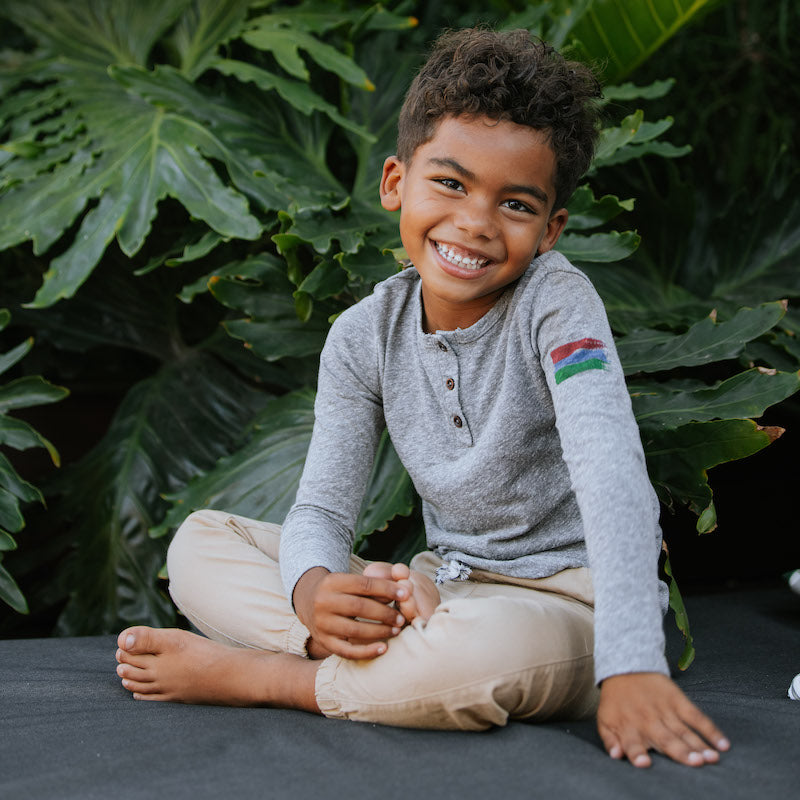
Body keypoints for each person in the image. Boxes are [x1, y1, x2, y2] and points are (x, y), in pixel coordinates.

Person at [114, 28, 730, 769]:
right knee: (200, 544)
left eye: (516, 204)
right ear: (395, 182)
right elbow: (322, 509)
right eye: (450, 182)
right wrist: (315, 596)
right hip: (442, 588)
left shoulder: (559, 305)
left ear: (550, 230)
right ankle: (369, 646)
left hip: (569, 610)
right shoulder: (361, 335)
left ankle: (273, 677)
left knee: (479, 658)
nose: (474, 221)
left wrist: (633, 662)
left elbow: (611, 472)